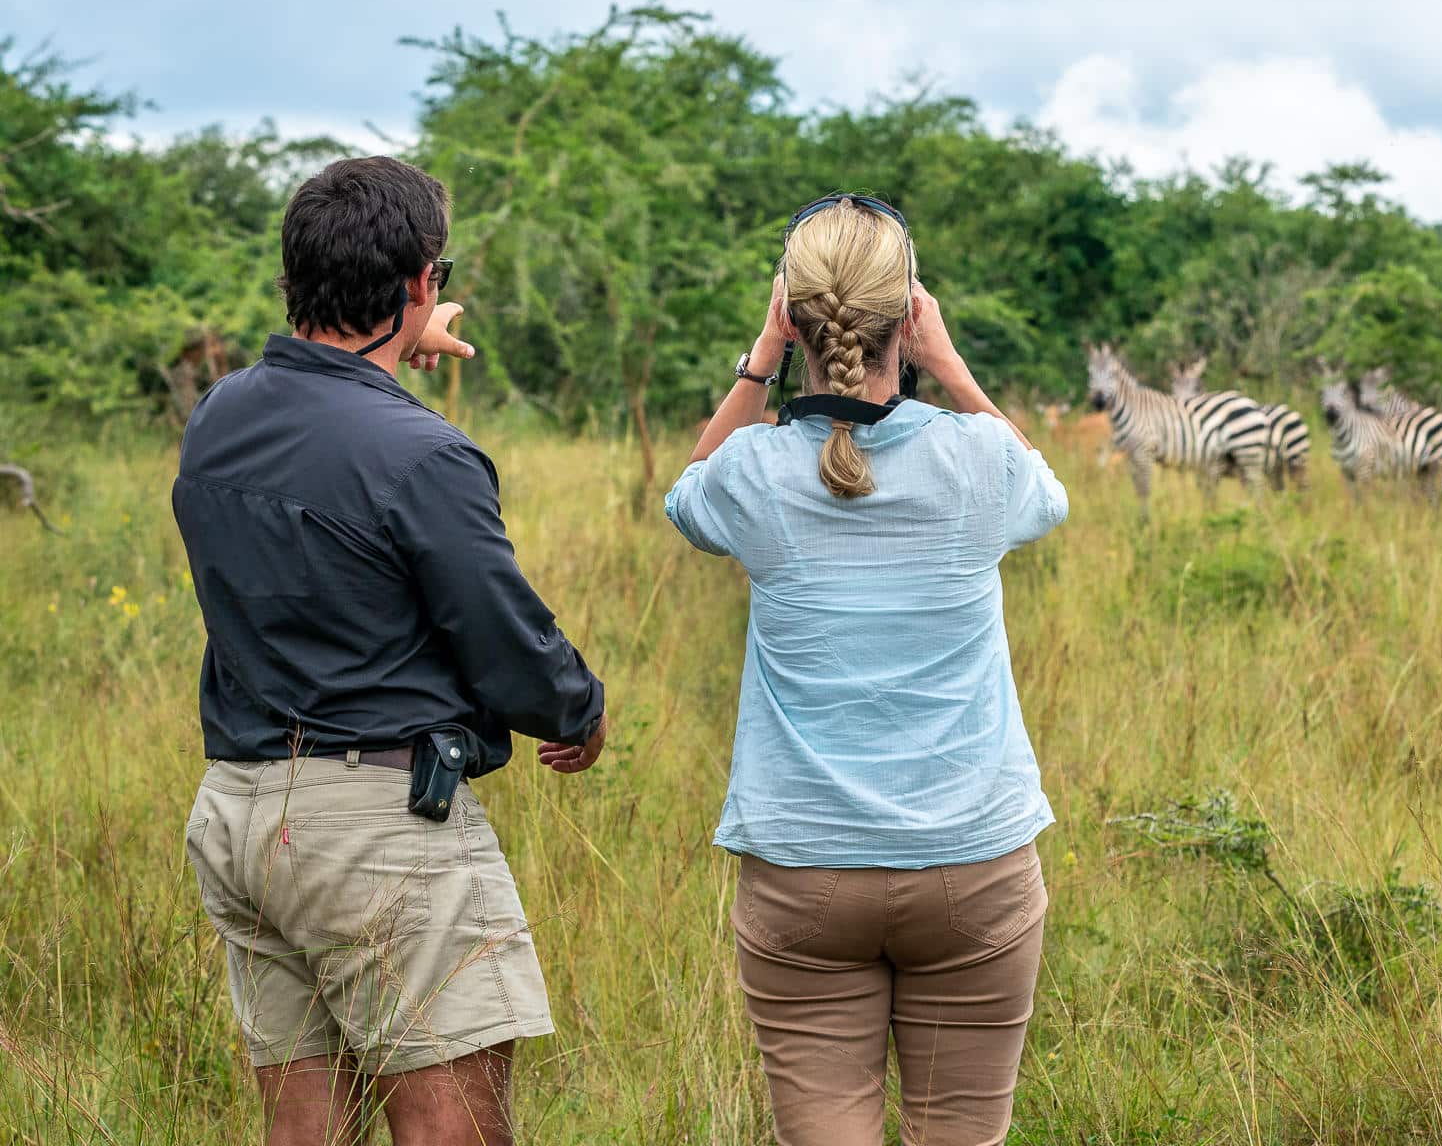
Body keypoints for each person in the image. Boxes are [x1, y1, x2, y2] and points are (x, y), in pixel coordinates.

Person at [174, 155, 609, 1146]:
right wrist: (577, 704)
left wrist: (398, 341)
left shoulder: (218, 417)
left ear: (297, 276)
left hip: (242, 811)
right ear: (421, 281)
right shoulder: (423, 453)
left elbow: (327, 419)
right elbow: (503, 640)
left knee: (308, 1128)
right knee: (450, 1127)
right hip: (375, 830)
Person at [665, 194, 1069, 1145]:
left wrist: (758, 364)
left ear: (792, 318)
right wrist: (953, 369)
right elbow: (1046, 494)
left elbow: (688, 498)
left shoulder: (757, 473)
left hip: (805, 869)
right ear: (910, 314)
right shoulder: (977, 463)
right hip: (974, 862)